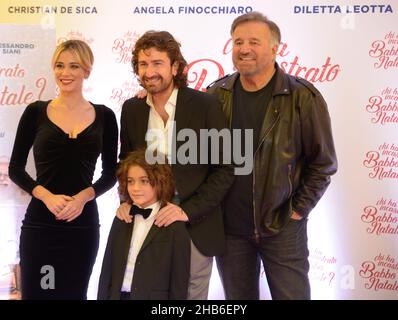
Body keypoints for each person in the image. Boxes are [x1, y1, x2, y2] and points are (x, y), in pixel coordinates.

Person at [207, 12, 338, 300]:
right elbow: (200, 157)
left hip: (282, 228)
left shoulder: (302, 97)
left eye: (254, 41)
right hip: (229, 231)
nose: (244, 48)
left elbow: (323, 164)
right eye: (238, 41)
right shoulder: (216, 94)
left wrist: (296, 212)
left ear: (275, 48)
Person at [117, 30, 235, 300]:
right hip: (147, 224)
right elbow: (126, 163)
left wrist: (186, 212)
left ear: (176, 66)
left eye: (157, 63)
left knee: (190, 296)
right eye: (143, 64)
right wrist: (127, 198)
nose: (149, 72)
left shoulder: (205, 105)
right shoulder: (132, 109)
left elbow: (226, 168)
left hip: (195, 225)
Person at [8, 40, 118, 299]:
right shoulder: (35, 112)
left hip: (82, 227)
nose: (65, 73)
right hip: (40, 227)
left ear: (86, 71)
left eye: (73, 66)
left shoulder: (105, 116)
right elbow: (15, 169)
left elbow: (111, 173)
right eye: (59, 65)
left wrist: (82, 198)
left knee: (73, 294)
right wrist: (46, 196)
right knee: (39, 293)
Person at [97, 150, 190, 300]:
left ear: (160, 181)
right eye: (130, 181)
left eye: (144, 181)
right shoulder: (122, 217)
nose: (135, 188)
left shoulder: (174, 224)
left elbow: (179, 283)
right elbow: (107, 269)